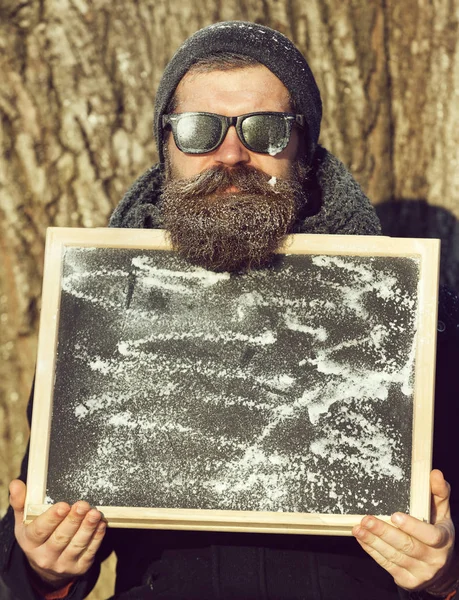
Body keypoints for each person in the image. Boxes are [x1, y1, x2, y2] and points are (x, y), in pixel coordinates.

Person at [1, 21, 459, 600]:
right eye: (199, 129)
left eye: (265, 130)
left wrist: (447, 574)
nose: (232, 153)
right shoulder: (98, 305)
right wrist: (43, 568)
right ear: (166, 145)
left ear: (304, 148)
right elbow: (32, 552)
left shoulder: (411, 314)